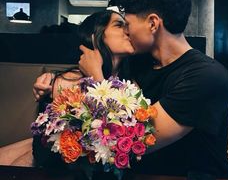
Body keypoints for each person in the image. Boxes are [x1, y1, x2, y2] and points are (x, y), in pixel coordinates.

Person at [33, 0, 228, 179]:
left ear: (153, 23)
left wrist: (97, 79)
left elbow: (131, 141)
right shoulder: (140, 62)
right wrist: (50, 84)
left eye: (127, 24)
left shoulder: (205, 77)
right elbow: (95, 73)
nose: (126, 31)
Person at [0, 9, 134, 167]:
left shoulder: (131, 85)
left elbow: (116, 140)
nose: (128, 30)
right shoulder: (68, 84)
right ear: (96, 35)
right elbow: (53, 150)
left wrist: (96, 73)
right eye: (119, 25)